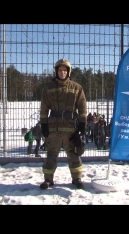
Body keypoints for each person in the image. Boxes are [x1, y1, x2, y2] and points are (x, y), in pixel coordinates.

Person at [39, 58, 87, 190]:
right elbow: (44, 108)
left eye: (65, 70)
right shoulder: (49, 88)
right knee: (51, 154)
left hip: (71, 128)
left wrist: (82, 124)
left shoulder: (77, 88)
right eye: (60, 70)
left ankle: (77, 179)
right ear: (56, 71)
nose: (62, 72)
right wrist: (44, 124)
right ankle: (48, 179)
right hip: (53, 128)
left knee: (74, 155)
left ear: (68, 72)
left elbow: (82, 108)